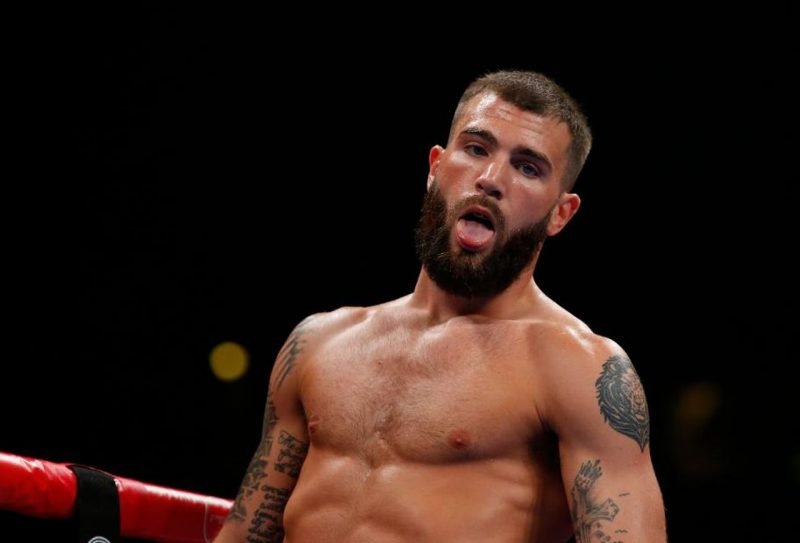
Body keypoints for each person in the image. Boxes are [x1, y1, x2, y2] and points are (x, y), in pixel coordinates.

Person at [213, 70, 666, 543]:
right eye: (476, 149)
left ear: (560, 213)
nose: (490, 179)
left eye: (528, 168)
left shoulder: (578, 368)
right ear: (435, 167)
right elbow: (246, 533)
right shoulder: (320, 342)